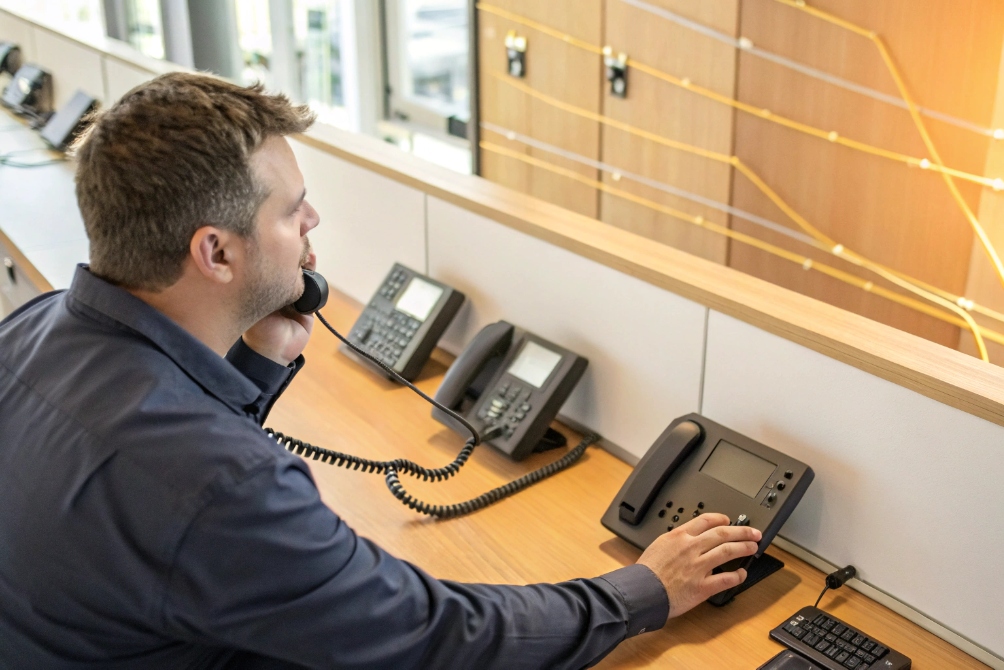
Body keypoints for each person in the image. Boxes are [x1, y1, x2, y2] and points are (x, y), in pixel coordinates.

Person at [0, 72, 762, 669]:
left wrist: (260, 362)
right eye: (291, 211)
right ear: (217, 253)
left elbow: (170, 501)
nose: (312, 225)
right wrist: (645, 590)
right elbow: (437, 639)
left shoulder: (35, 328)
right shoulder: (221, 486)